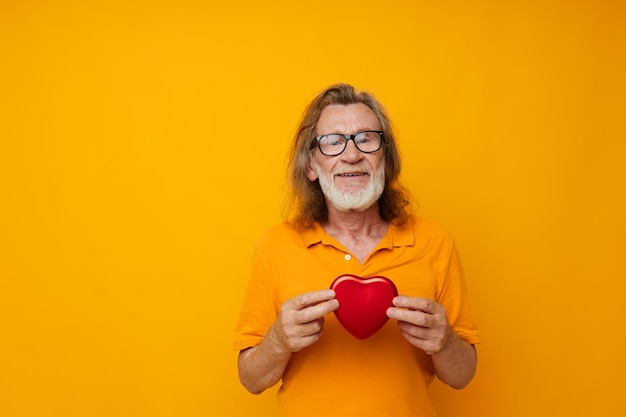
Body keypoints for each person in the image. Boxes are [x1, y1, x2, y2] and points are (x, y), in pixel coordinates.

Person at [233, 83, 481, 417]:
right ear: (311, 166)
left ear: (386, 160)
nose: (352, 155)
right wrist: (278, 339)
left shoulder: (434, 241)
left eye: (366, 139)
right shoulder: (275, 245)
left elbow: (462, 375)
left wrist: (445, 341)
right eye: (333, 142)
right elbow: (251, 380)